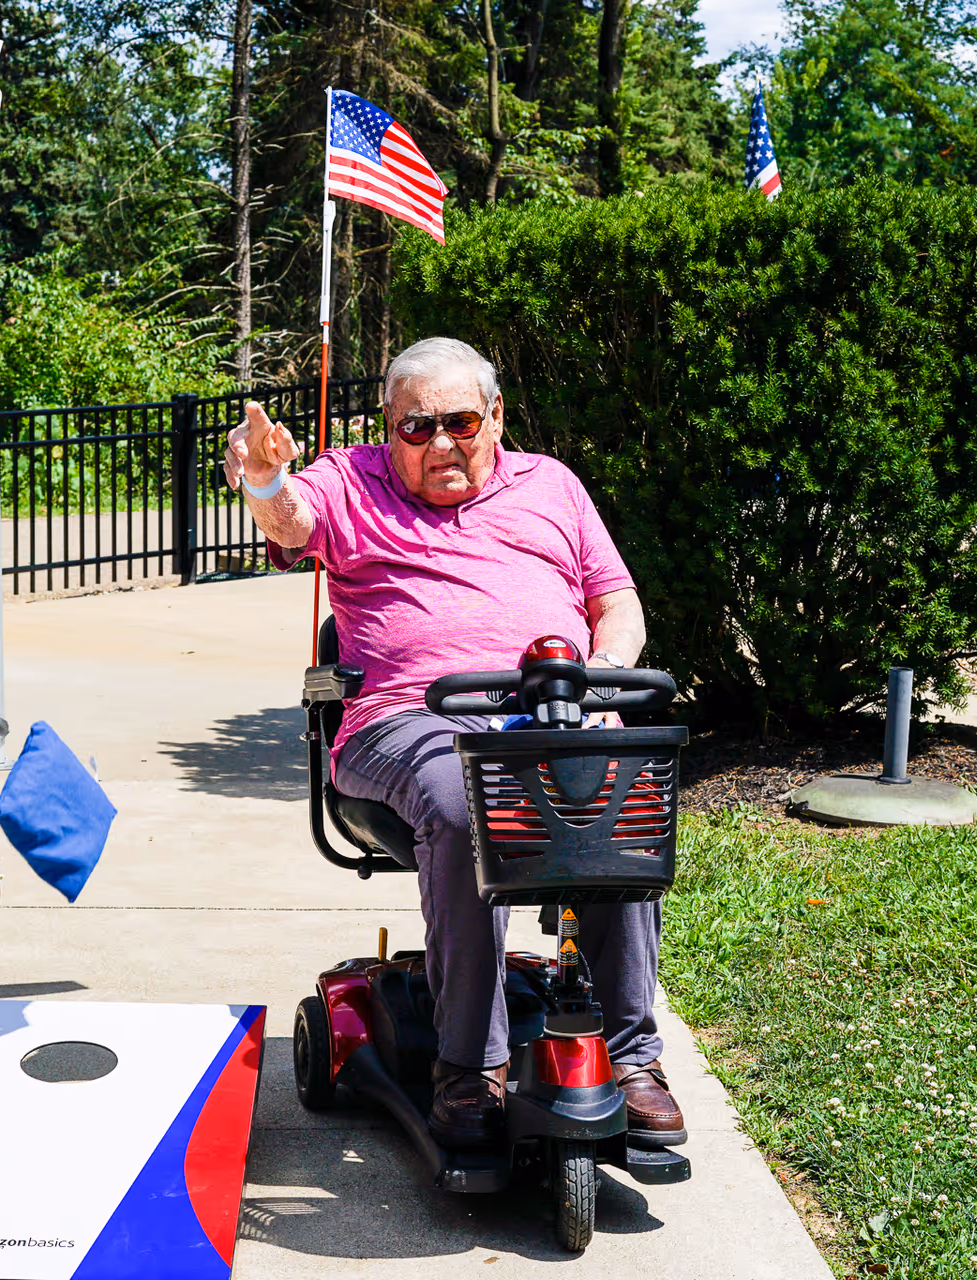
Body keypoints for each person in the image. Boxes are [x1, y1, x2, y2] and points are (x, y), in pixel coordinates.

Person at [223, 337, 686, 1151]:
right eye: (416, 427)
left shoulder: (553, 485)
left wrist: (604, 676)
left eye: (461, 421)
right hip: (409, 720)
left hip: (553, 711)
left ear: (496, 416)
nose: (440, 443)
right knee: (462, 799)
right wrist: (266, 480)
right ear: (387, 428)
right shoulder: (348, 478)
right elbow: (292, 519)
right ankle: (469, 1071)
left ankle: (632, 1057)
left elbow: (619, 605)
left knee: (626, 783)